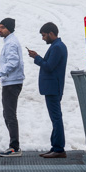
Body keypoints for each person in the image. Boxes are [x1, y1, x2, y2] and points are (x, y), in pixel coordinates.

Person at [28, 22, 69, 158]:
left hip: (53, 88)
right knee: (55, 118)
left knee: (56, 118)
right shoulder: (57, 46)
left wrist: (36, 57)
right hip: (53, 87)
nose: (43, 38)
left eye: (44, 35)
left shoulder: (57, 47)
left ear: (51, 33)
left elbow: (49, 66)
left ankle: (58, 149)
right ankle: (55, 147)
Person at [0, 17, 25, 156]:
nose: (0, 30)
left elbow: (13, 62)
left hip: (12, 82)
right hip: (10, 82)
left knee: (10, 114)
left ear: (9, 28)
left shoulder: (11, 43)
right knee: (7, 114)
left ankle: (14, 147)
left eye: (2, 27)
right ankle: (14, 145)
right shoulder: (9, 42)